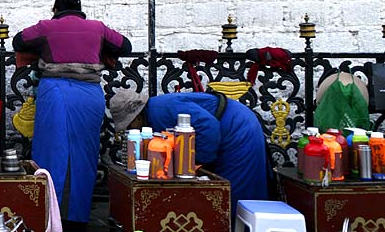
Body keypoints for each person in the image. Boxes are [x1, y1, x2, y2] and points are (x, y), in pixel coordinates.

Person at [13, 0, 131, 232]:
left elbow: (18, 41)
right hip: (89, 95)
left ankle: (48, 219)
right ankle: (77, 220)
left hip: (55, 92)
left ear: (56, 9)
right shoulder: (98, 28)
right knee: (84, 155)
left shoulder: (47, 27)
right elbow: (125, 46)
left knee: (51, 153)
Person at [110, 89, 270, 208]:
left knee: (233, 195)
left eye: (129, 126)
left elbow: (208, 126)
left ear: (137, 117)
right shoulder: (153, 115)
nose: (130, 130)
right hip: (229, 128)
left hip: (238, 129)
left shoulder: (161, 110)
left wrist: (198, 165)